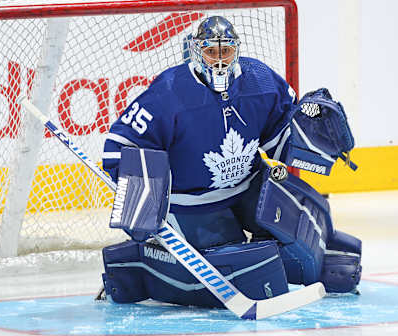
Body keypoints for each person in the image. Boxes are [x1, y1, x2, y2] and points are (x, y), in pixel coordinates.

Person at [99, 16, 362, 308]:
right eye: (212, 52)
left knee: (301, 237)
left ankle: (324, 261)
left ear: (236, 50)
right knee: (237, 269)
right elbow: (120, 147)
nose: (219, 60)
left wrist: (311, 132)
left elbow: (281, 135)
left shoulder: (260, 79)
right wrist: (143, 205)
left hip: (249, 186)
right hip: (192, 202)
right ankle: (132, 265)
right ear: (197, 52)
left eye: (225, 52)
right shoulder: (168, 92)